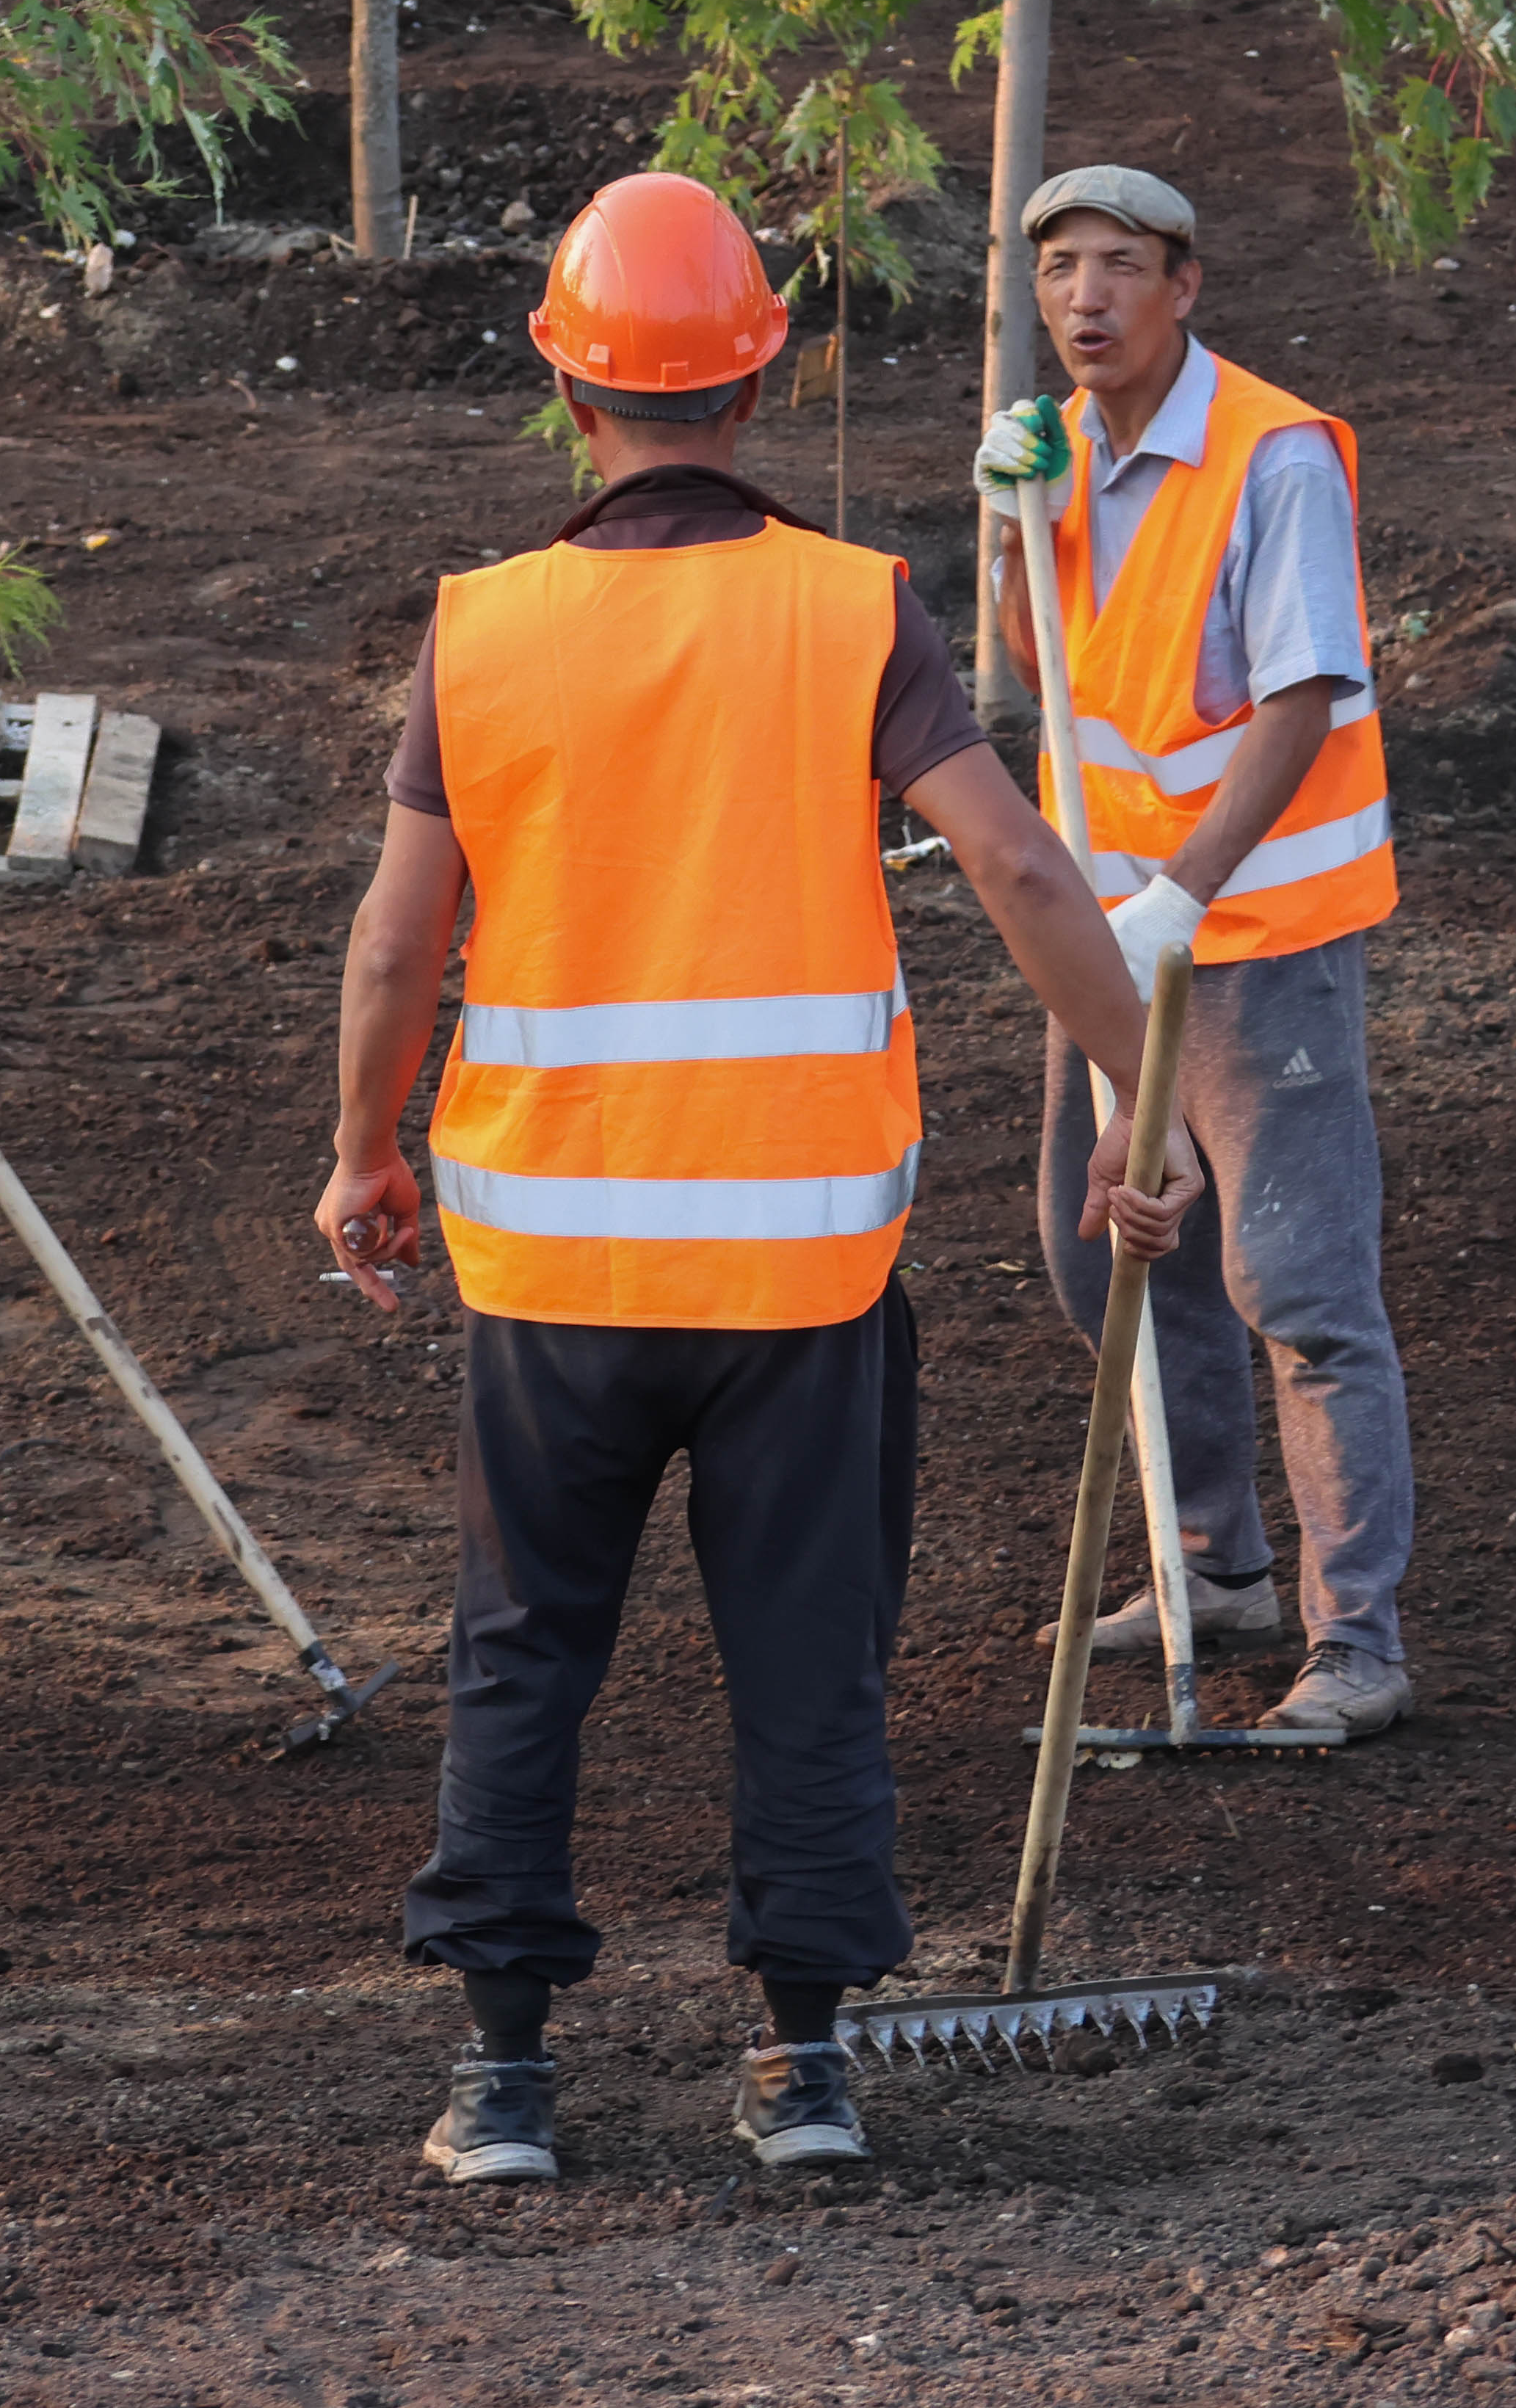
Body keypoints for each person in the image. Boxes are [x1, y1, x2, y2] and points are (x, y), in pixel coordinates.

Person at [317, 173, 1205, 2191]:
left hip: (549, 1265)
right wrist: (1132, 1123)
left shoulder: (485, 630)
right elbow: (1019, 866)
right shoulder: (851, 609)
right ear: (764, 373)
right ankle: (805, 2067)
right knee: (811, 1654)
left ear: (563, 381)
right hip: (801, 1273)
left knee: (522, 1648)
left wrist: (367, 1155)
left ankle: (504, 2084)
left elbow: (394, 944)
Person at [980, 162, 1420, 1747]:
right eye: (1060, 274)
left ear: (1186, 285)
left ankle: (1356, 1640)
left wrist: (1187, 885)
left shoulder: (1273, 457)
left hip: (1258, 936)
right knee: (1100, 1240)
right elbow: (1060, 671)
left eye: (1118, 267)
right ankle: (1212, 1564)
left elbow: (1305, 699)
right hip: (1109, 931)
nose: (1084, 299)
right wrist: (1018, 528)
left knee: (1296, 1280)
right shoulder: (1067, 452)